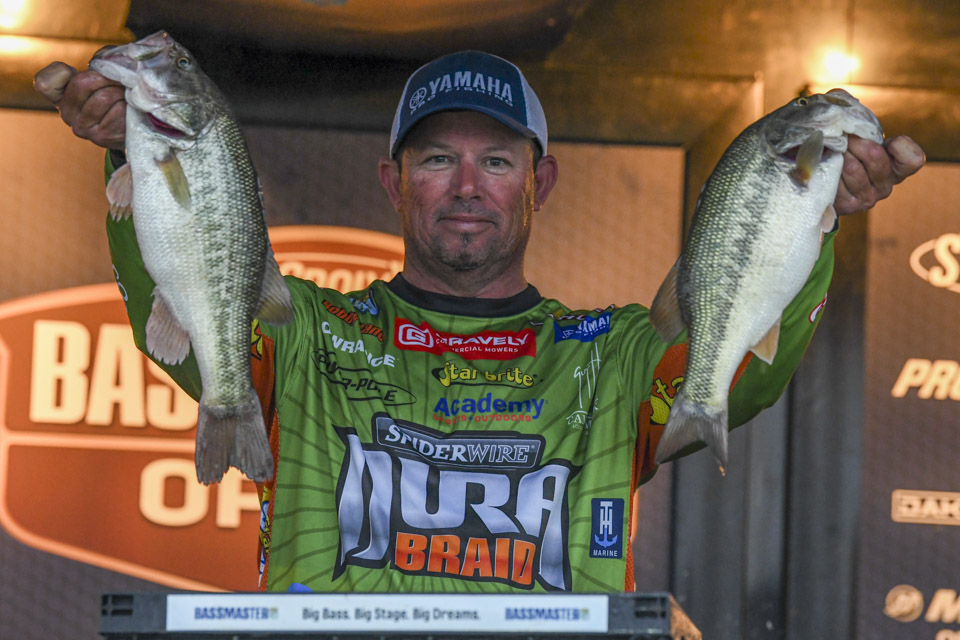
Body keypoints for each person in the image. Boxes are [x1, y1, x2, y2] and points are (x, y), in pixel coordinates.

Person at [35, 49, 924, 594]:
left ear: (541, 184)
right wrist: (131, 148)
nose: (466, 188)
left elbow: (743, 374)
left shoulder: (614, 357)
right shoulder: (298, 333)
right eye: (436, 159)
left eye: (497, 160)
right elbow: (182, 292)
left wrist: (814, 216)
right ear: (393, 183)